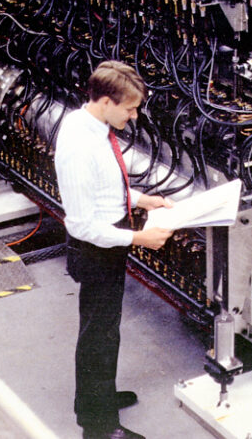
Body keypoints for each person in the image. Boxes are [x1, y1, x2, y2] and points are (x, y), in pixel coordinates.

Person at [54, 60, 174, 439]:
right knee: (99, 335)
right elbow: (82, 225)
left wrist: (141, 200)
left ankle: (97, 397)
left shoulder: (93, 126)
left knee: (104, 330)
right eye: (130, 108)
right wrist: (138, 238)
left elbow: (105, 187)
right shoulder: (79, 145)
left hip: (109, 242)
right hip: (96, 250)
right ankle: (99, 426)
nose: (134, 116)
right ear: (106, 101)